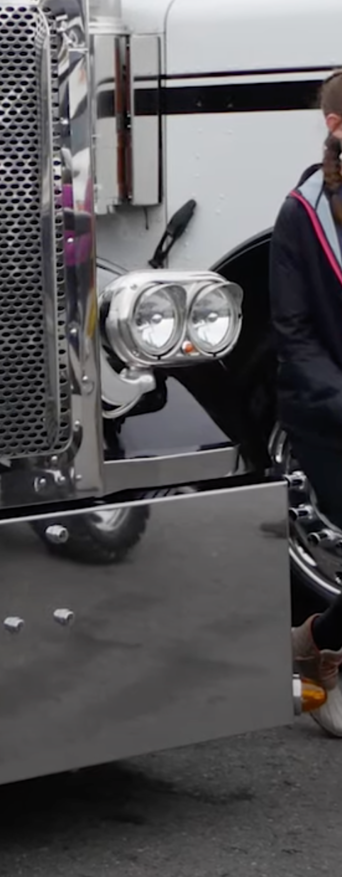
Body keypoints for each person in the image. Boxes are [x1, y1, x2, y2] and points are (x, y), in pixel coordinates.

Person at [270, 68, 342, 737]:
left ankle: (316, 642)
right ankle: (320, 646)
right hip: (325, 414)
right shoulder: (302, 213)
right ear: (336, 126)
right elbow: (293, 333)